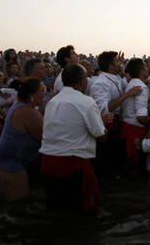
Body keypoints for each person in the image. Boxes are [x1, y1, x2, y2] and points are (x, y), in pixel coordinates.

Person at [39, 64, 109, 212]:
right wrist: (102, 120)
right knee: (81, 212)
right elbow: (101, 136)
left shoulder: (52, 102)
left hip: (48, 163)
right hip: (73, 165)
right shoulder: (86, 102)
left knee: (56, 210)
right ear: (83, 81)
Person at [0, 78, 45, 201]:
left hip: (2, 159)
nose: (45, 94)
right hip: (8, 164)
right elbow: (46, 139)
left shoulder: (20, 105)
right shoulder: (28, 112)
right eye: (42, 91)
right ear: (31, 95)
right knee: (19, 206)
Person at [120, 58, 150, 172]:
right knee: (137, 169)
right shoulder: (141, 87)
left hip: (127, 127)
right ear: (142, 71)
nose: (148, 69)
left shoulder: (132, 83)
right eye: (146, 67)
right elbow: (141, 117)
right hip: (135, 131)